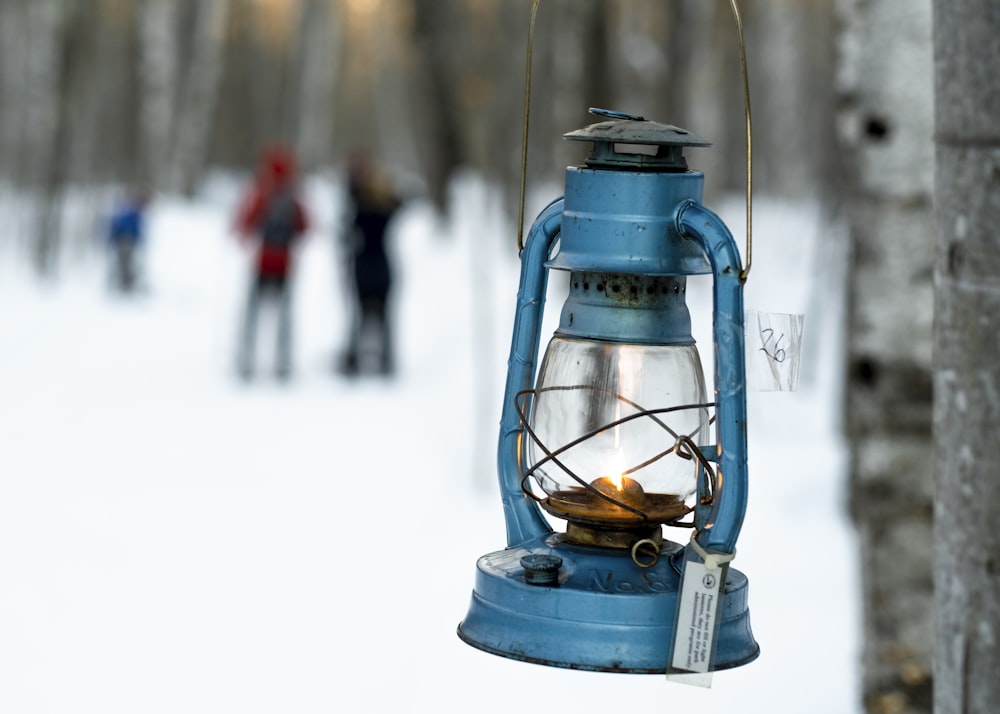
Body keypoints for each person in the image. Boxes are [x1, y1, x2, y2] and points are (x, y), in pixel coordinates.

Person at [234, 146, 309, 380]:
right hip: (286, 264)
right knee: (284, 315)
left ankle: (246, 358)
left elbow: (244, 224)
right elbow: (305, 227)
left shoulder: (261, 193)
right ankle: (282, 361)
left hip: (262, 262)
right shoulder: (293, 195)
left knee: (252, 313)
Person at [340, 151, 402, 376]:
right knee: (383, 315)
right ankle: (386, 361)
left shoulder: (359, 206)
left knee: (360, 314)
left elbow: (346, 232)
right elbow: (400, 201)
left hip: (363, 265)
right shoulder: (385, 206)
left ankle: (354, 359)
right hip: (383, 265)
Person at [107, 189, 149, 292]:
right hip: (125, 240)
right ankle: (124, 284)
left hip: (128, 240)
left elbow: (136, 227)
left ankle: (125, 283)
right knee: (125, 262)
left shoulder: (129, 211)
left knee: (126, 262)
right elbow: (120, 226)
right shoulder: (129, 211)